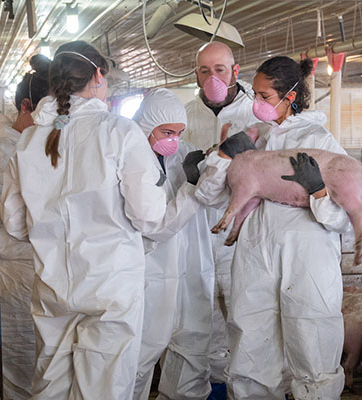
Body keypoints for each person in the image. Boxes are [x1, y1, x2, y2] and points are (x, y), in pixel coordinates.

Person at [0, 41, 202, 399]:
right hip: (111, 290)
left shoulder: (30, 140)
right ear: (98, 75)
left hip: (53, 288)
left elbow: (15, 225)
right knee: (104, 389)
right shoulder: (119, 132)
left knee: (50, 387)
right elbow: (151, 219)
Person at [208, 55, 349, 400]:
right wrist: (220, 156)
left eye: (263, 96)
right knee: (250, 345)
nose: (255, 104)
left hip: (307, 256)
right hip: (257, 254)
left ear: (290, 96)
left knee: (312, 344)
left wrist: (318, 192)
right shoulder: (259, 139)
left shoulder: (320, 139)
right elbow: (212, 195)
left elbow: (344, 214)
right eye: (254, 95)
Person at [167, 41, 260, 398]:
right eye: (204, 71)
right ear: (195, 75)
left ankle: (248, 387)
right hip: (198, 229)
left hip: (243, 232)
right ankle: (212, 388)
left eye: (220, 70)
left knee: (246, 312)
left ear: (235, 71)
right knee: (200, 317)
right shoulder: (185, 116)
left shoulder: (257, 114)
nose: (212, 78)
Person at [131, 88, 215, 400]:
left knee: (192, 347)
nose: (174, 140)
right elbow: (154, 225)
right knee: (139, 352)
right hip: (148, 267)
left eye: (179, 132)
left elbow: (211, 196)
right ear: (146, 125)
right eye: (167, 132)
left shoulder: (185, 152)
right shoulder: (130, 158)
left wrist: (218, 166)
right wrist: (192, 187)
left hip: (190, 264)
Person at [0, 53, 50, 400]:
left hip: (47, 264)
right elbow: (14, 219)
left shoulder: (43, 142)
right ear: (26, 106)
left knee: (46, 357)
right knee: (19, 357)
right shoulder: (4, 148)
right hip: (13, 267)